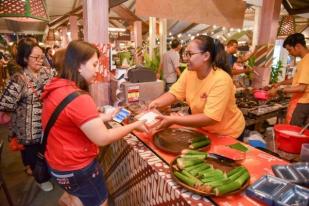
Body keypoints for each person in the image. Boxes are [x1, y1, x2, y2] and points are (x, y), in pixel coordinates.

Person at [41, 40, 148, 206]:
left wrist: (107, 117)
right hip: (77, 167)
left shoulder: (56, 87)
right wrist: (134, 125)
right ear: (78, 66)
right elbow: (102, 138)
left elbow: (72, 121)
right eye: (95, 64)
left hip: (57, 164)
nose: (97, 70)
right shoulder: (79, 98)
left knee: (73, 197)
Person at [149, 35, 245, 139]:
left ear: (206, 56)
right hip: (204, 130)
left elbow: (210, 117)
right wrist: (155, 103)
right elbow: (174, 93)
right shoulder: (189, 72)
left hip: (228, 133)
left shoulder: (221, 79)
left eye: (190, 54)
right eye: (185, 54)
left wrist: (173, 120)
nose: (185, 58)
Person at [0, 38, 54, 191]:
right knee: (33, 155)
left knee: (47, 151)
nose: (40, 60)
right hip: (28, 128)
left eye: (41, 57)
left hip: (46, 123)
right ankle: (40, 178)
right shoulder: (19, 79)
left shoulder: (46, 71)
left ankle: (43, 172)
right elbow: (5, 104)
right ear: (24, 58)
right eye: (35, 57)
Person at [268, 33, 309, 127]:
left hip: (302, 102)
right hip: (303, 101)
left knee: (294, 131)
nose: (289, 53)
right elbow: (298, 79)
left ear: (298, 46)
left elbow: (302, 88)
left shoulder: (306, 61)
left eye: (290, 50)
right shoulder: (305, 60)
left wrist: (278, 90)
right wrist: (280, 83)